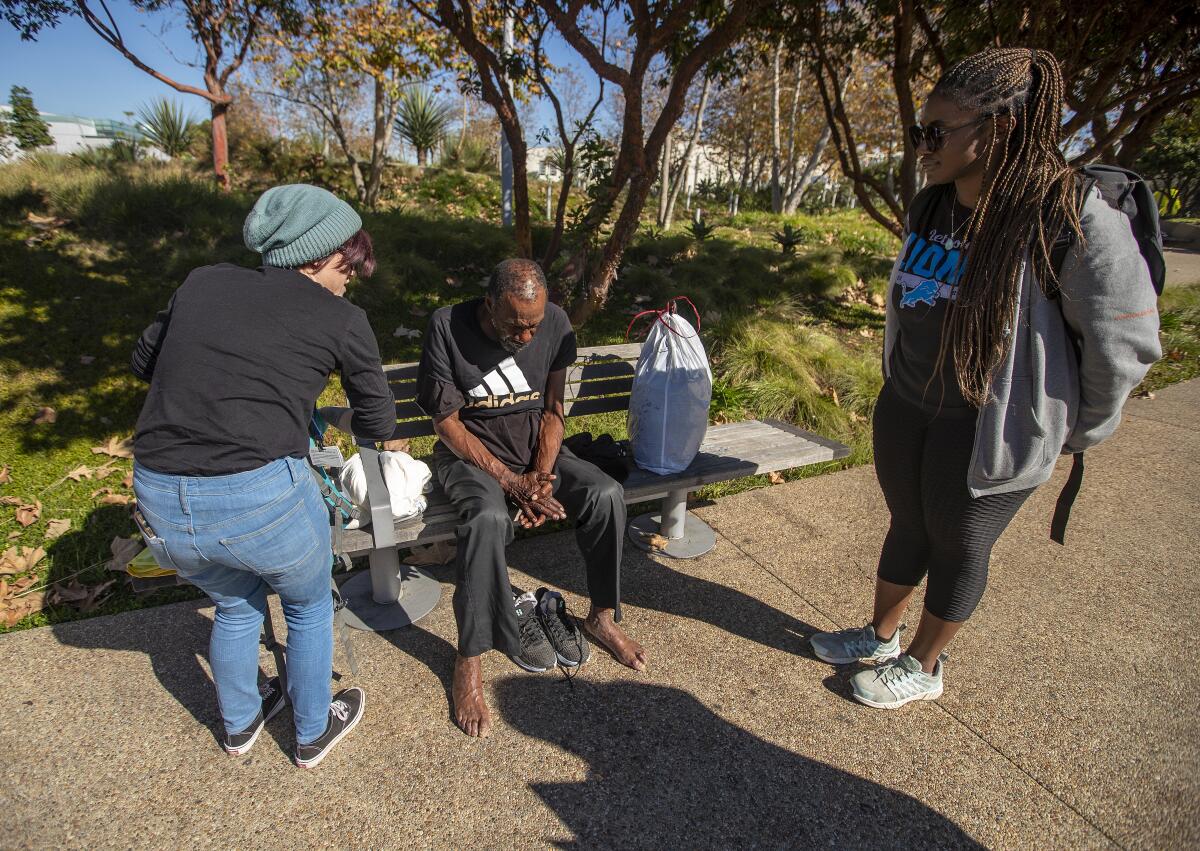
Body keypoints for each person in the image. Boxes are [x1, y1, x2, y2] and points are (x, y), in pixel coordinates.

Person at [810, 49, 1160, 709]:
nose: (921, 147)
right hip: (909, 401)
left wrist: (1076, 428)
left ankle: (925, 663)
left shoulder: (1068, 214)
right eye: (919, 132)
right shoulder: (934, 202)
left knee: (958, 540)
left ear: (997, 130)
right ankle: (881, 636)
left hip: (987, 422)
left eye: (936, 133)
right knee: (908, 521)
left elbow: (1126, 339)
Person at [130, 184, 397, 765]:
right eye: (350, 262)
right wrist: (335, 416)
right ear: (321, 253)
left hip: (157, 495)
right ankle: (311, 731)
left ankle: (241, 724)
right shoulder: (342, 318)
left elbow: (143, 361)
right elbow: (378, 420)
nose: (353, 276)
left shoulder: (202, 281)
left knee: (234, 604)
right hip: (257, 494)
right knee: (306, 607)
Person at [417, 258, 648, 738]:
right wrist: (509, 481)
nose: (526, 338)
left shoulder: (556, 323)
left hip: (535, 455)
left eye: (533, 327)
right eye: (514, 327)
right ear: (489, 306)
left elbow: (552, 410)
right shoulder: (447, 326)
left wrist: (540, 477)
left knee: (606, 494)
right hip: (471, 458)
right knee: (487, 520)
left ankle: (602, 618)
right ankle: (470, 657)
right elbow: (447, 425)